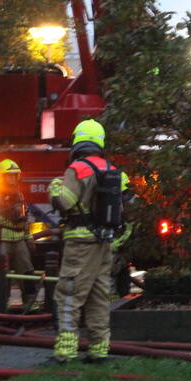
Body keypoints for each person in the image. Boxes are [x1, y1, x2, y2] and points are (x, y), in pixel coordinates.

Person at [46, 119, 130, 364]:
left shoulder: (78, 169)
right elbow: (125, 205)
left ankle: (66, 353)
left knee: (69, 295)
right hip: (104, 243)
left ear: (77, 141)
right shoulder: (112, 170)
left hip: (80, 244)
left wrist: (54, 188)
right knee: (99, 296)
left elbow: (65, 202)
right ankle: (99, 350)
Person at [0, 159, 37, 311]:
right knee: (2, 274)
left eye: (14, 175)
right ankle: (2, 304)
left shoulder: (19, 194)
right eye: (9, 175)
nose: (12, 178)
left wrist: (29, 237)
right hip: (1, 240)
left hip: (19, 240)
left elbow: (24, 217)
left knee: (27, 272)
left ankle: (30, 303)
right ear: (1, 177)